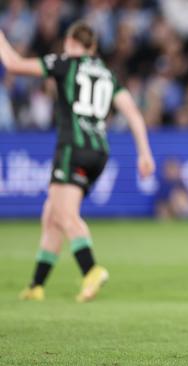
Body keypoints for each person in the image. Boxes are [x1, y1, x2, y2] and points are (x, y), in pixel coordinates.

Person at [0, 22, 155, 302]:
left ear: (70, 42)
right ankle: (36, 285)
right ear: (93, 47)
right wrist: (145, 153)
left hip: (73, 147)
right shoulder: (108, 74)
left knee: (65, 215)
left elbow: (13, 65)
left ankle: (91, 269)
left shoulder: (66, 63)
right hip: (99, 152)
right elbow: (132, 113)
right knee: (52, 213)